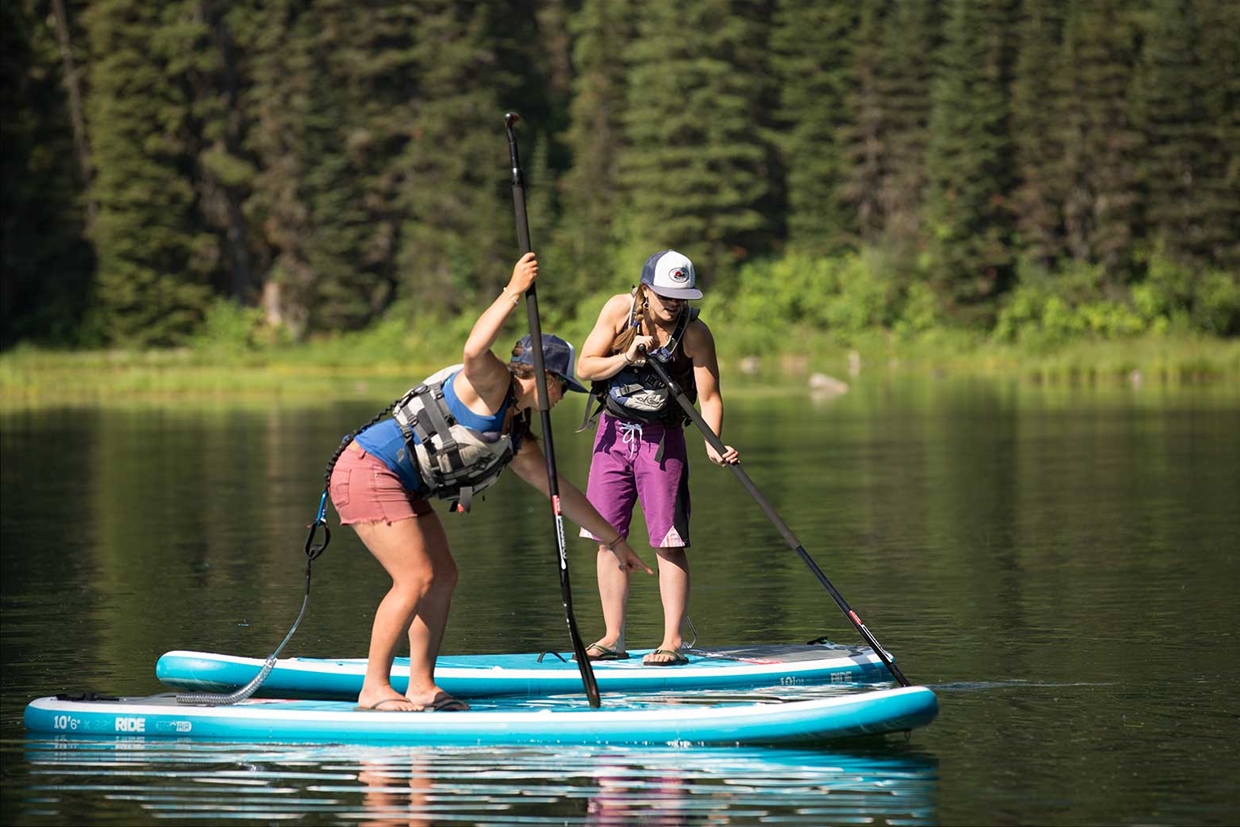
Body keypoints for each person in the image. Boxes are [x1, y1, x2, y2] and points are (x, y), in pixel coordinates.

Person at [329, 252, 653, 712]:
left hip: (401, 482)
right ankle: (374, 688)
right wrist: (513, 291)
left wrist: (615, 540)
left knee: (443, 577)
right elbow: (473, 350)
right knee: (416, 577)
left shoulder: (516, 434)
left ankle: (420, 685)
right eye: (562, 388)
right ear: (545, 377)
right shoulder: (490, 383)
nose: (562, 398)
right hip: (368, 469)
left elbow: (560, 492)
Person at [575, 249, 739, 666]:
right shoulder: (619, 310)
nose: (673, 304)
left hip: (662, 441)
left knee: (669, 540)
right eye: (666, 296)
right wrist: (627, 357)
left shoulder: (695, 333)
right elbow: (585, 368)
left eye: (681, 297)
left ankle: (672, 641)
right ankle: (613, 638)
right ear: (646, 289)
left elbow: (710, 397)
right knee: (606, 537)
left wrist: (713, 442)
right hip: (613, 437)